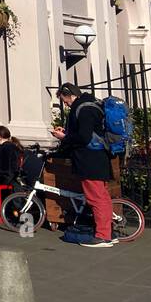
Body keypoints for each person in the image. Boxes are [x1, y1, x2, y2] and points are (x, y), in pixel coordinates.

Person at [52, 83, 115, 248]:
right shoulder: (93, 104)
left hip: (89, 160)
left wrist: (64, 138)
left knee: (96, 198)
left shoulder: (82, 108)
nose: (65, 104)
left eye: (64, 100)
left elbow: (84, 137)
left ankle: (102, 236)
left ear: (69, 95)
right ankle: (109, 232)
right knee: (103, 197)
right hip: (100, 158)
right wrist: (67, 133)